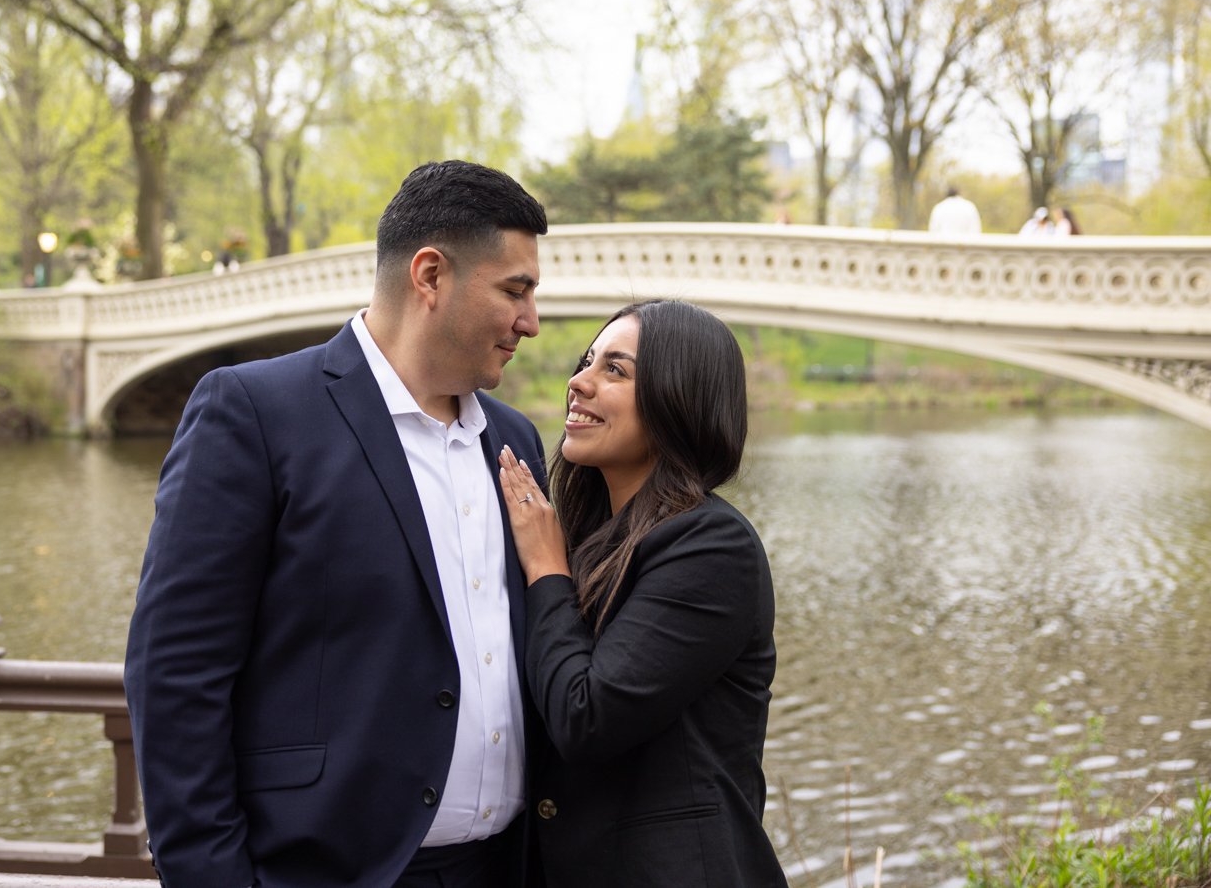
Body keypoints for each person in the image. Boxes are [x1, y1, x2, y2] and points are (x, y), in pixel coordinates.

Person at [125, 160, 550, 888]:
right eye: (515, 289)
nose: (531, 322)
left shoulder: (514, 441)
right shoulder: (255, 414)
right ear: (430, 276)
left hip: (504, 871)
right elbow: (175, 677)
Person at [496, 300, 788, 887]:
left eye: (615, 370)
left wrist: (547, 571)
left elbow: (586, 717)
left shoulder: (711, 546)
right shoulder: (588, 538)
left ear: (677, 400)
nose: (578, 383)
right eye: (587, 362)